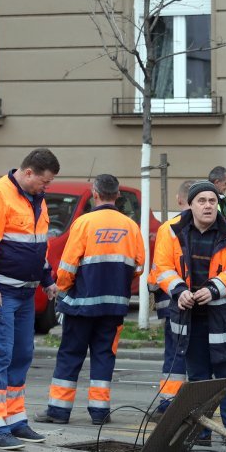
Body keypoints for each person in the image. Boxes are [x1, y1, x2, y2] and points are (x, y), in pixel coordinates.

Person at [33, 174, 144, 425]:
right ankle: (99, 412)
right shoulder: (131, 226)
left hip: (81, 306)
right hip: (114, 305)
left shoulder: (84, 223)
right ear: (117, 196)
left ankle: (59, 411)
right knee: (105, 356)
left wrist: (62, 289)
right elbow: (138, 266)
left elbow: (68, 266)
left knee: (71, 354)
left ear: (95, 193)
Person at [152, 181, 226, 446]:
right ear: (191, 204)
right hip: (190, 317)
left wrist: (214, 289)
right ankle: (201, 432)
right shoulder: (171, 230)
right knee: (197, 379)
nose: (208, 205)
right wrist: (178, 291)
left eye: (212, 201)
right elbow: (162, 267)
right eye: (202, 201)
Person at [0, 148, 60, 450]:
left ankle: (14, 420)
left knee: (21, 354)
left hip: (24, 290)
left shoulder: (36, 199)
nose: (45, 188)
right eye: (43, 182)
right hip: (1, 292)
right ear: (29, 172)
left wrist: (47, 279)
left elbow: (39, 245)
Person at [146, 179, 193, 417]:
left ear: (179, 199)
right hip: (196, 300)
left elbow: (159, 269)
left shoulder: (169, 227)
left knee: (175, 352)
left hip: (172, 300)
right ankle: (192, 403)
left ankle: (168, 404)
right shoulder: (209, 224)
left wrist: (152, 292)